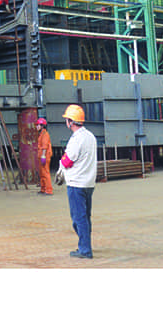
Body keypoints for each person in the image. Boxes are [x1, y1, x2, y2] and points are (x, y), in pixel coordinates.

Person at [58, 104, 97, 259]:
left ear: (71, 121)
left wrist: (61, 165)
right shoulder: (90, 136)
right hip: (89, 183)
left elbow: (67, 161)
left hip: (76, 184)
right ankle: (85, 244)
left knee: (78, 219)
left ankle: (85, 250)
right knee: (85, 217)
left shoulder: (76, 139)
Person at [36, 118, 52, 195]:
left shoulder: (45, 134)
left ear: (42, 126)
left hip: (45, 156)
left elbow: (44, 146)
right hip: (41, 156)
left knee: (45, 173)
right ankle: (43, 189)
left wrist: (43, 156)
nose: (36, 126)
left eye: (38, 125)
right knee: (42, 173)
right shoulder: (41, 134)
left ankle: (48, 190)